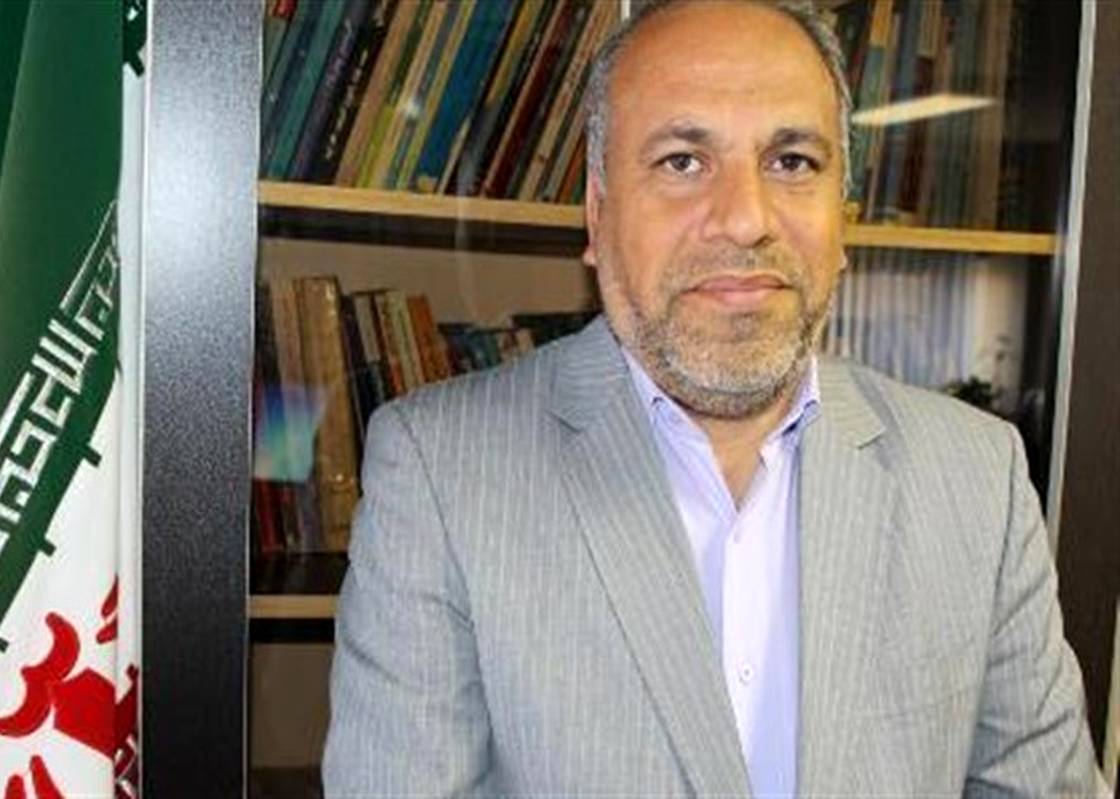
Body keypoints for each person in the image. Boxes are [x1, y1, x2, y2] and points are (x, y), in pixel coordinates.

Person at [323, 1, 1105, 796]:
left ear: (843, 216)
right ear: (598, 212)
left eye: (792, 161)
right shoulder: (441, 475)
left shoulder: (978, 476)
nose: (744, 219)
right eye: (682, 161)